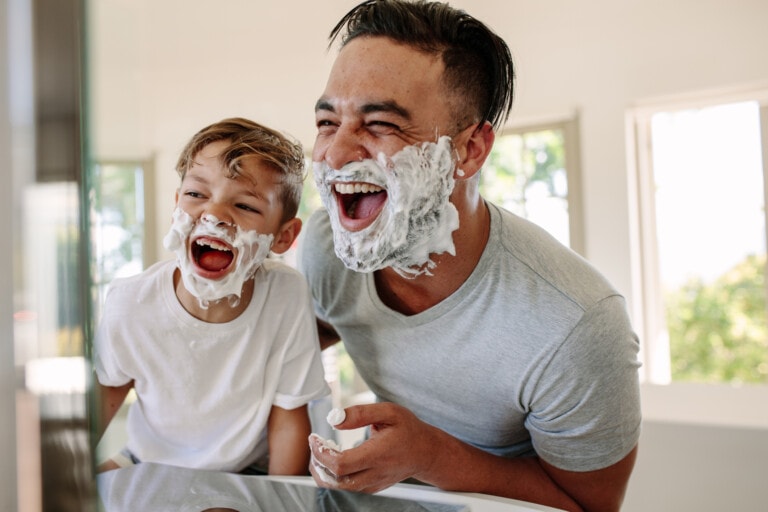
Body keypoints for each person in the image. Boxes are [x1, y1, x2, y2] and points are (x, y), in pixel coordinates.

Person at [297, 1, 641, 511]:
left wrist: (431, 456)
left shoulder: (576, 324)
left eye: (381, 124)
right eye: (328, 121)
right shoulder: (329, 246)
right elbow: (298, 338)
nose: (334, 153)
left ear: (470, 150)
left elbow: (590, 505)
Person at [94, 117, 330, 475]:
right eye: (195, 194)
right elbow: (98, 406)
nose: (215, 215)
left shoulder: (285, 295)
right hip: (148, 461)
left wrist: (282, 499)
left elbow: (288, 420)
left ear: (283, 237)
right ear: (176, 206)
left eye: (246, 206)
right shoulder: (130, 303)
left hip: (247, 469)